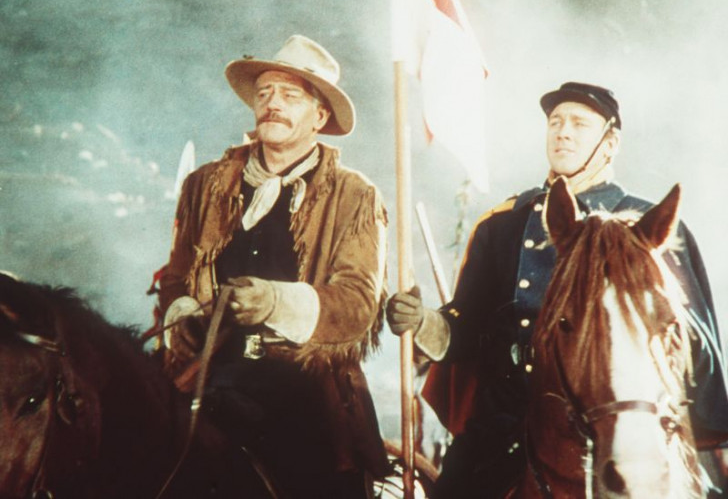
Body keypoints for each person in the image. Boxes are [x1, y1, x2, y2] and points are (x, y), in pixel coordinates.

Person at [386, 82, 728, 498]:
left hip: (628, 418)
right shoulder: (503, 223)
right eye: (555, 122)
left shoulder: (648, 226)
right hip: (509, 426)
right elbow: (468, 329)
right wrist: (424, 323)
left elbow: (688, 338)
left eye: (579, 124)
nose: (563, 132)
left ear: (609, 144)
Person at [158, 34, 390, 498]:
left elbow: (358, 303)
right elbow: (176, 277)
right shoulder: (204, 185)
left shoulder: (355, 196)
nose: (273, 105)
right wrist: (182, 313)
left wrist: (273, 301)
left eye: (290, 95)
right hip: (207, 370)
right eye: (264, 93)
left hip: (303, 386)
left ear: (319, 116)